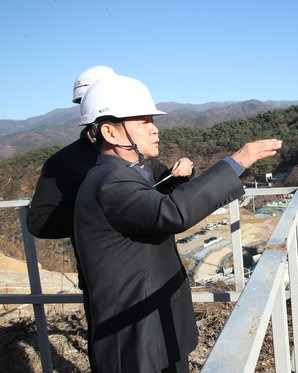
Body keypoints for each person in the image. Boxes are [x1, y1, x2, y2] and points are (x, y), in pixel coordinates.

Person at [73, 75, 282, 372]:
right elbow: (171, 212)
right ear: (110, 132)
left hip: (151, 325)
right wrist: (237, 161)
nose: (155, 129)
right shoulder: (111, 181)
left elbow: (151, 207)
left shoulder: (126, 173)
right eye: (143, 122)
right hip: (136, 337)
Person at [26, 66, 194, 372]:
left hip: (154, 263)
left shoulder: (136, 151)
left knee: (169, 345)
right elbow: (39, 221)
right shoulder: (63, 162)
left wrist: (174, 178)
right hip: (105, 272)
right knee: (118, 351)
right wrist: (92, 209)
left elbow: (154, 192)